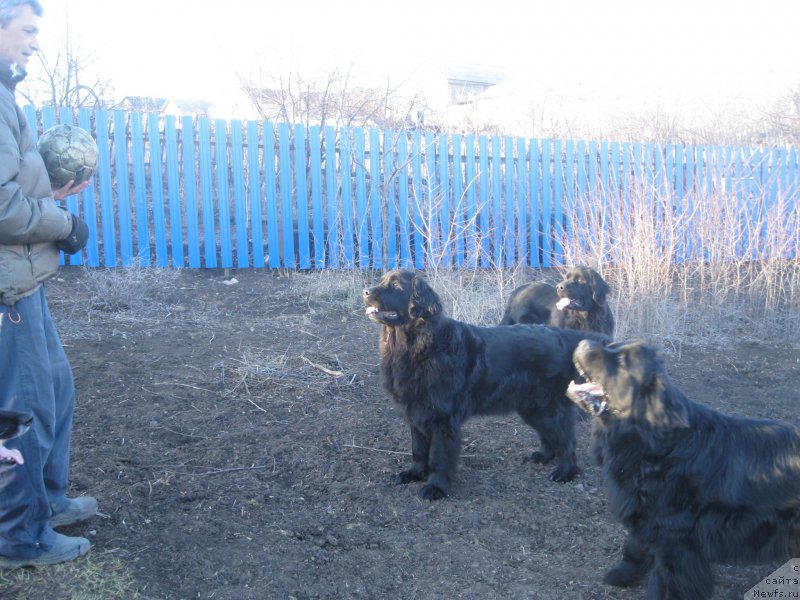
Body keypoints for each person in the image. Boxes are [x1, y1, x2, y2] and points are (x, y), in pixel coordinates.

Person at [0, 0, 96, 568]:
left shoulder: (7, 97)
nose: (36, 42)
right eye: (27, 30)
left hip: (25, 277)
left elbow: (17, 188)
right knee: (22, 411)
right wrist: (64, 224)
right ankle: (19, 535)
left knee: (55, 387)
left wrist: (52, 199)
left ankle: (48, 499)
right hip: (7, 290)